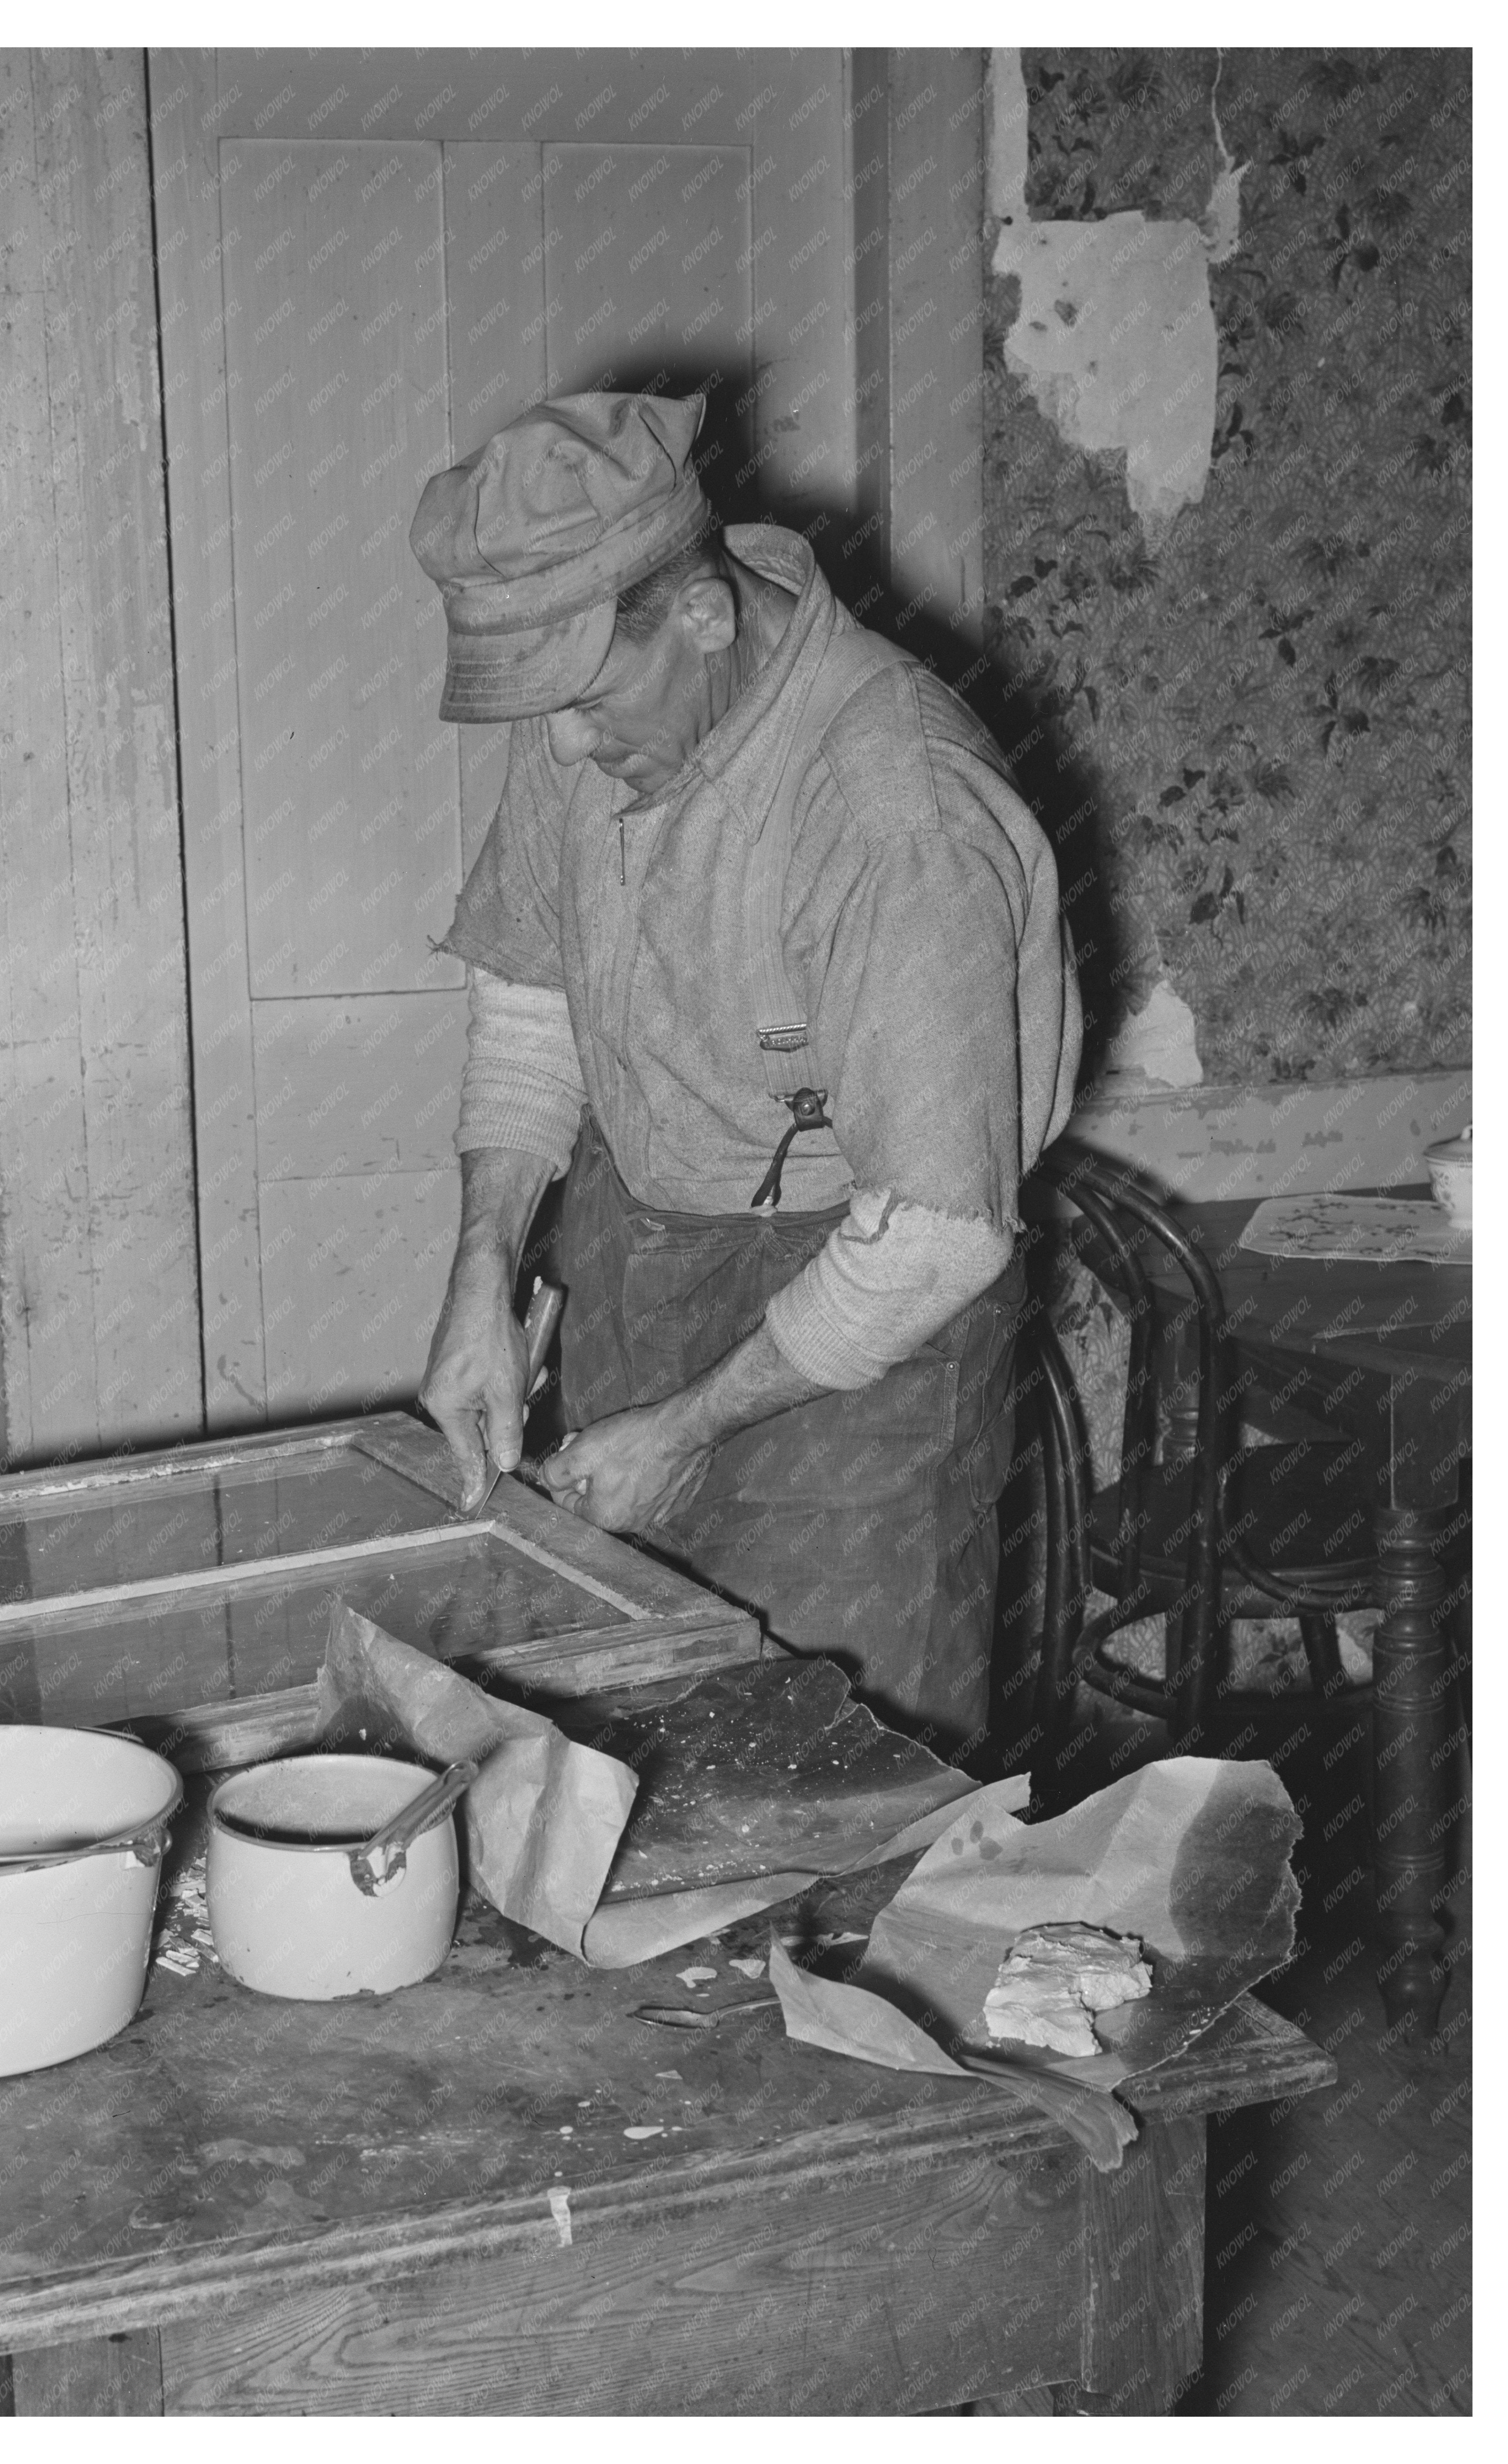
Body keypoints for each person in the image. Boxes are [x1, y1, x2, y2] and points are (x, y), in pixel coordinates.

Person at [408, 391, 1080, 1754]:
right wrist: (484, 1270)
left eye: (584, 703)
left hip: (862, 1306)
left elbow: (940, 1233)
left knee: (828, 1784)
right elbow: (532, 993)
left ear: (707, 614)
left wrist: (694, 1423)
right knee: (633, 1733)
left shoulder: (897, 814)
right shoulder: (595, 710)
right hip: (638, 1250)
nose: (562, 752)